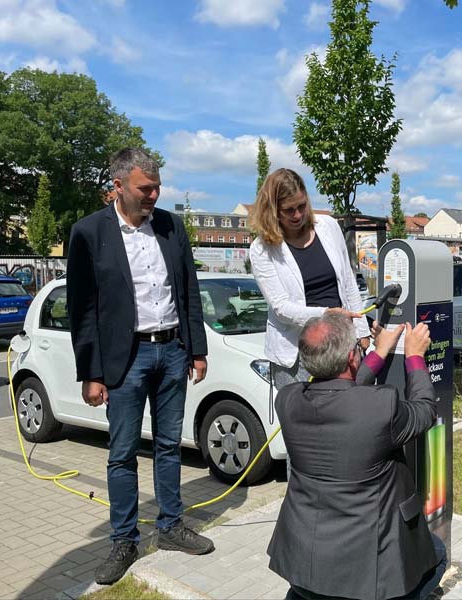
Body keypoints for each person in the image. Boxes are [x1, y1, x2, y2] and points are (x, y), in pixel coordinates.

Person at [66, 147, 215, 586]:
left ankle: (170, 527)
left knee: (169, 444)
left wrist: (197, 348)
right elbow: (83, 310)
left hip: (172, 352)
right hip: (124, 358)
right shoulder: (89, 233)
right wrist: (90, 372)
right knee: (122, 452)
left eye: (157, 187)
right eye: (144, 188)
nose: (153, 195)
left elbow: (188, 290)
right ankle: (124, 539)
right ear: (118, 186)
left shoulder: (171, 226)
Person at [268, 314, 447, 600]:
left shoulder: (288, 400)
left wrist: (379, 353)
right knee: (437, 554)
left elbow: (339, 390)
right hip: (369, 576)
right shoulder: (380, 407)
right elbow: (425, 410)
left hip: (304, 564)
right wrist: (414, 357)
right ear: (353, 357)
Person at [248, 168, 370, 398]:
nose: (297, 215)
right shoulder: (262, 248)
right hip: (297, 354)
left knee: (347, 416)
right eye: (288, 210)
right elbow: (281, 307)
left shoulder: (328, 226)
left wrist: (362, 332)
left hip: (341, 344)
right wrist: (326, 313)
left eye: (302, 206)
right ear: (273, 210)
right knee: (305, 424)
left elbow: (348, 282)